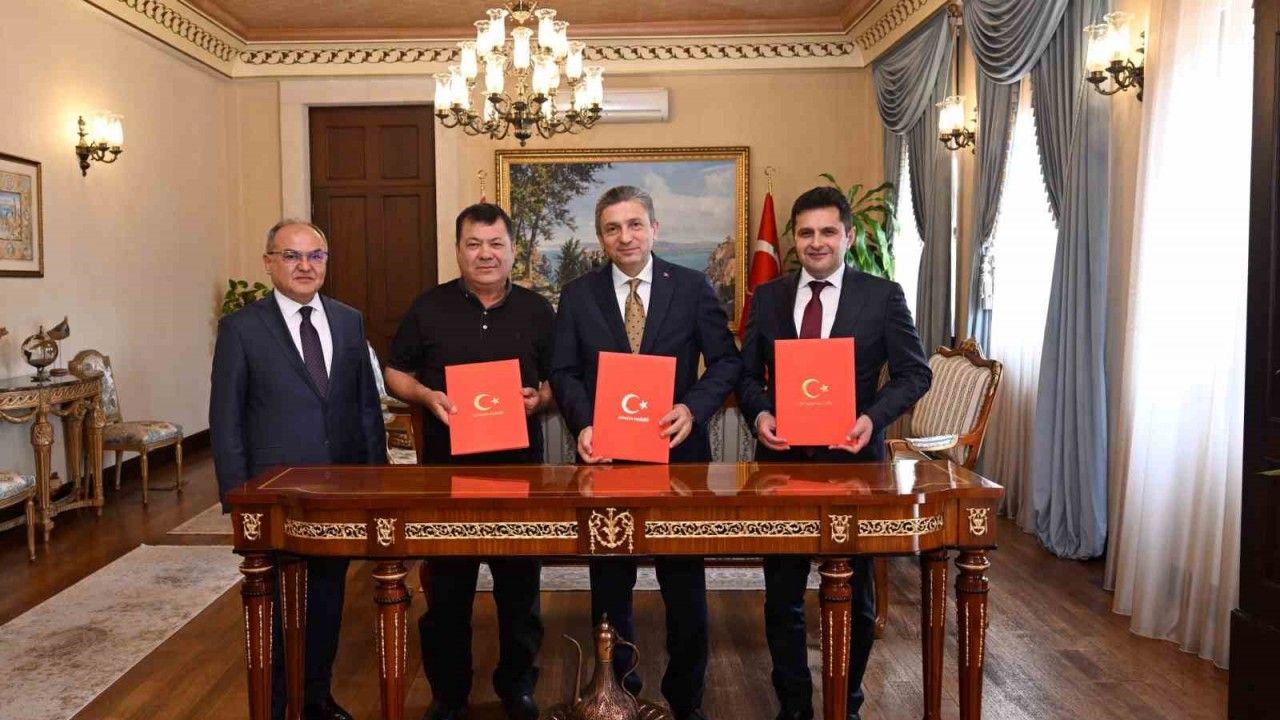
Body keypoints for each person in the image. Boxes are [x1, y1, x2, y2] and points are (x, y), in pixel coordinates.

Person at [736, 185, 932, 720]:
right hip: (782, 469)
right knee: (782, 598)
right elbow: (746, 375)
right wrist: (760, 414)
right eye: (806, 233)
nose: (816, 242)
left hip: (854, 469)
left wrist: (872, 418)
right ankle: (794, 707)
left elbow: (915, 373)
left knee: (857, 598)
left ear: (848, 236)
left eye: (827, 231)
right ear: (794, 239)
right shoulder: (768, 298)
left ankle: (847, 705)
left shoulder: (882, 296)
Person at [550, 185, 742, 720]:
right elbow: (563, 370)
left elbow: (726, 362)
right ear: (601, 237)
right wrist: (584, 423)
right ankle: (617, 692)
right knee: (610, 584)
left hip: (678, 460)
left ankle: (687, 699)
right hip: (606, 461)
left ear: (654, 228)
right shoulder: (578, 295)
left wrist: (692, 409)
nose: (625, 236)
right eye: (613, 228)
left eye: (635, 224)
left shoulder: (693, 286)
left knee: (685, 586)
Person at [210, 219, 387, 720]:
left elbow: (366, 409)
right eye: (291, 256)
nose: (304, 266)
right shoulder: (242, 329)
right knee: (272, 609)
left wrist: (378, 483)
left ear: (326, 263)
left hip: (340, 492)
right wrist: (236, 498)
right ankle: (274, 704)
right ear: (269, 263)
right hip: (274, 496)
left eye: (315, 256)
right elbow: (225, 418)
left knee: (327, 600)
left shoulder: (349, 321)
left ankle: (315, 699)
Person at [384, 203, 554, 720]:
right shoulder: (428, 307)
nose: (485, 254)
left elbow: (560, 379)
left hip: (519, 473)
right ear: (458, 250)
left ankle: (517, 686)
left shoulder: (538, 311)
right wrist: (426, 396)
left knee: (519, 590)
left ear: (512, 250)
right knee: (448, 591)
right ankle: (449, 693)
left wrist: (540, 399)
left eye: (495, 244)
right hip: (447, 474)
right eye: (474, 244)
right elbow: (395, 372)